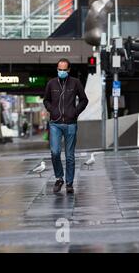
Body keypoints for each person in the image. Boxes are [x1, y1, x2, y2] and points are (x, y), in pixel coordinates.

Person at [43, 58, 88, 194]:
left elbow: (84, 100)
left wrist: (75, 112)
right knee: (55, 152)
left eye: (64, 70)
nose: (61, 72)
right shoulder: (51, 83)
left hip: (70, 124)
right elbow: (46, 100)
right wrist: (52, 110)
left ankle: (69, 183)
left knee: (69, 156)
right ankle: (59, 178)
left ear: (68, 70)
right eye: (59, 69)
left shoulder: (75, 83)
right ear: (57, 69)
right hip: (55, 123)